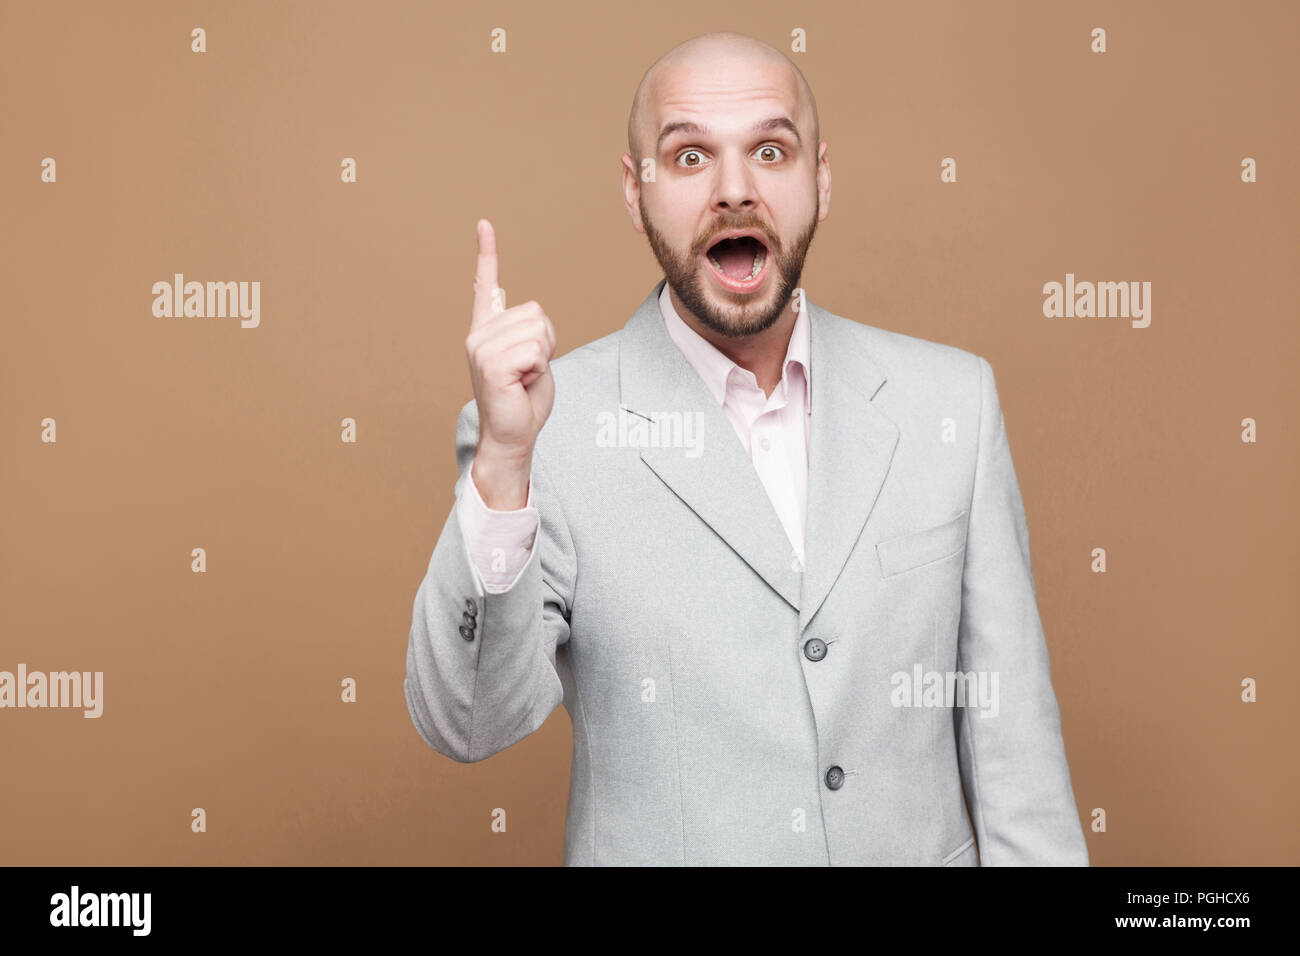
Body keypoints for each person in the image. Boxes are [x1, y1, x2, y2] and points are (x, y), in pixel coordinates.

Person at [404, 31, 1089, 866]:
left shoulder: (953, 404)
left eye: (770, 150)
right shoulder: (543, 429)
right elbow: (466, 723)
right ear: (635, 191)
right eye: (689, 157)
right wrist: (505, 467)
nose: (735, 191)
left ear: (821, 179)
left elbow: (1015, 755)